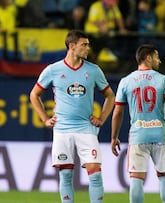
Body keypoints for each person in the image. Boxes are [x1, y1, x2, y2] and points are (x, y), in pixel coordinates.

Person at [29, 30, 115, 203]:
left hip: (86, 128)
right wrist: (45, 119)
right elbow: (34, 95)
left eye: (88, 44)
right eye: (84, 45)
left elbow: (110, 96)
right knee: (66, 174)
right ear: (72, 46)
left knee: (95, 172)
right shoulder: (53, 70)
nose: (88, 48)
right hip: (62, 129)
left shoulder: (93, 70)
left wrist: (102, 118)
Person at [110, 44, 165, 203]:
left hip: (138, 135)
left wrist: (114, 137)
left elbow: (118, 112)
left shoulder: (126, 81)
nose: (159, 60)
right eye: (156, 56)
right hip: (159, 133)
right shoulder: (163, 79)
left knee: (136, 178)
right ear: (148, 58)